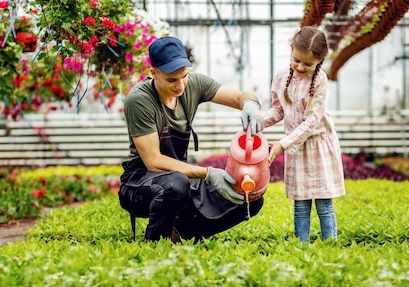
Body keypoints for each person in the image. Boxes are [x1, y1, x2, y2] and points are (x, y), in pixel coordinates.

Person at [118, 36, 264, 242]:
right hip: (140, 182)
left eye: (184, 76)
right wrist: (208, 173)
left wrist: (250, 104)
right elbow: (154, 161)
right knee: (175, 184)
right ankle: (154, 244)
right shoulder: (139, 100)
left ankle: (184, 230)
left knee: (250, 198)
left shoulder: (194, 84)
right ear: (154, 73)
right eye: (171, 80)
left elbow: (239, 96)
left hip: (181, 177)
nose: (180, 86)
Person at [261, 26, 345, 243]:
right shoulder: (281, 78)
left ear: (320, 61)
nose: (300, 66)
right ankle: (301, 248)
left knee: (324, 203)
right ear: (291, 50)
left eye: (308, 64)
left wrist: (283, 143)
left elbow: (312, 120)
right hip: (296, 147)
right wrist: (257, 123)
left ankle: (330, 246)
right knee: (301, 202)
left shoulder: (320, 80)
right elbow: (279, 110)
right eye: (296, 60)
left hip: (318, 144)